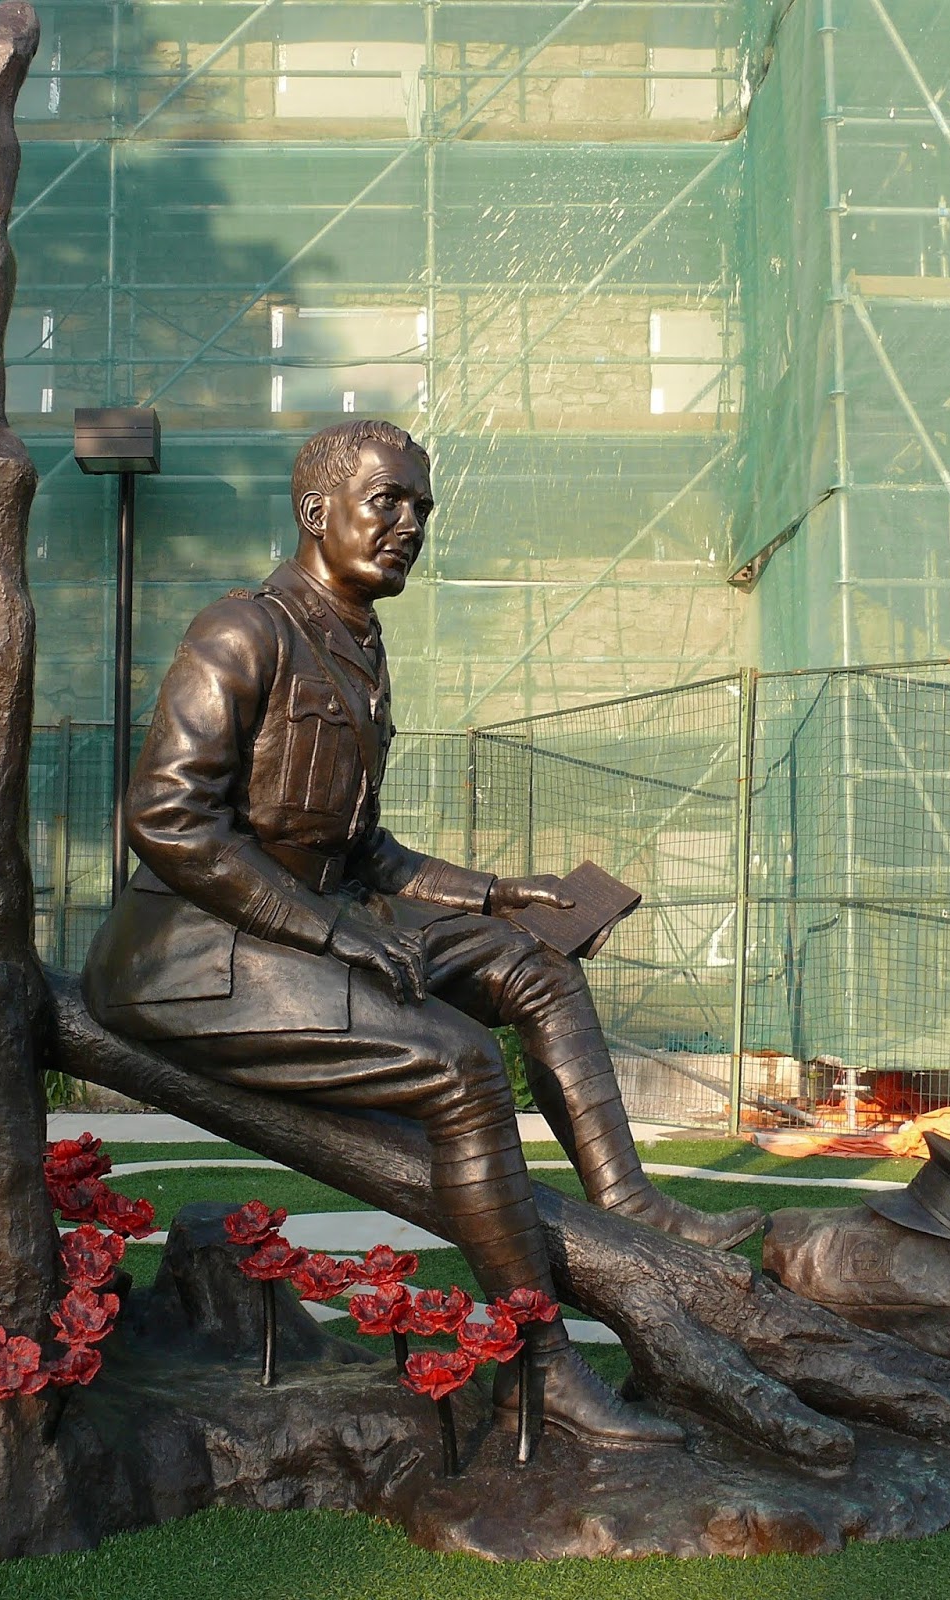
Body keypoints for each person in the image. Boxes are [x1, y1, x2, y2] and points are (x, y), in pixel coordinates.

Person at [82, 419, 759, 1446]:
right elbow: (165, 818)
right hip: (191, 953)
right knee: (456, 1062)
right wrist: (329, 932)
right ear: (316, 510)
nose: (408, 525)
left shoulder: (356, 646)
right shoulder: (244, 629)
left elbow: (364, 854)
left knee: (533, 966)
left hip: (307, 920)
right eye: (386, 501)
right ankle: (542, 1370)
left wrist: (494, 894)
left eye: (421, 510)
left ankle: (629, 1201)